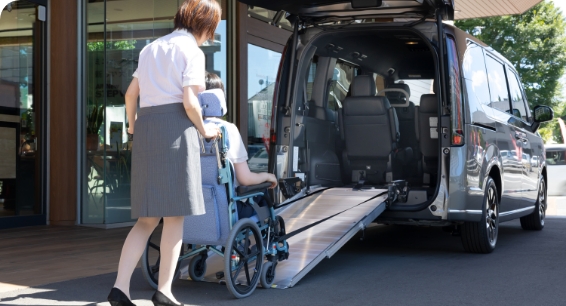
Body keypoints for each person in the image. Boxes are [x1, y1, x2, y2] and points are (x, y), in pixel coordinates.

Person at [106, 1, 221, 306]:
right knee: (174, 219)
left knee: (146, 220)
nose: (211, 35)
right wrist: (205, 130)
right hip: (176, 128)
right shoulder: (192, 51)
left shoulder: (150, 48)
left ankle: (120, 288)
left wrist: (132, 126)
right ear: (205, 25)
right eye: (213, 28)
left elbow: (131, 94)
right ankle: (165, 291)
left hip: (146, 127)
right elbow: (189, 102)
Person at [202, 72, 277, 204]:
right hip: (228, 208)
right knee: (264, 198)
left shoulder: (187, 131)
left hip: (192, 215)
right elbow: (245, 179)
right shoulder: (227, 129)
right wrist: (267, 176)